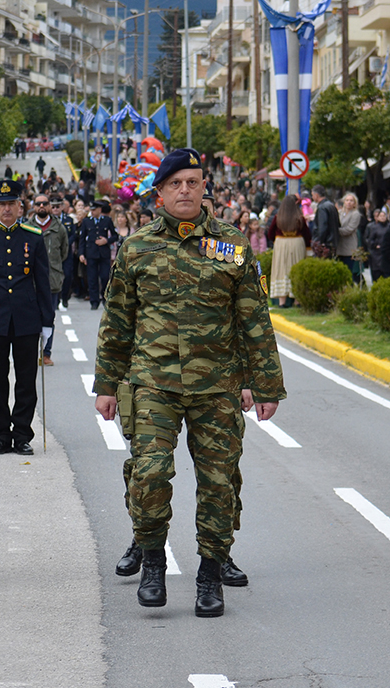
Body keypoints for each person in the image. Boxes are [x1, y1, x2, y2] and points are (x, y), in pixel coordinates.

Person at [93, 148, 286, 618]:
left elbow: (254, 321)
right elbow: (117, 322)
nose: (185, 190)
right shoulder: (137, 248)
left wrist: (265, 385)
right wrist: (107, 384)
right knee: (150, 473)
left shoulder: (232, 245)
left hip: (217, 385)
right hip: (153, 383)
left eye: (193, 182)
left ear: (204, 189)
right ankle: (153, 563)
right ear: (159, 192)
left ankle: (210, 574)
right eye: (175, 183)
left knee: (219, 483)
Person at [0, 180, 54, 455]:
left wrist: (47, 321)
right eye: (1, 204)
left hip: (26, 316)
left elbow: (42, 281)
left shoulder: (33, 236)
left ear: (20, 206)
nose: (6, 209)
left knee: (26, 380)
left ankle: (22, 434)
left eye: (11, 204)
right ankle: (1, 434)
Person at [32, 194, 67, 366]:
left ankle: (46, 353)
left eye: (44, 203)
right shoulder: (27, 227)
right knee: (31, 316)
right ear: (34, 207)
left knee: (49, 316)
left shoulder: (59, 228)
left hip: (51, 279)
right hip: (30, 281)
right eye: (38, 203)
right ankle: (32, 352)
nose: (41, 206)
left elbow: (64, 252)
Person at [265, 195, 310, 308]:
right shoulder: (300, 218)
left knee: (281, 269)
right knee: (296, 268)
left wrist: (277, 240)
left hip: (281, 243)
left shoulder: (278, 217)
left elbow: (270, 234)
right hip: (297, 243)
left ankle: (282, 302)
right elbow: (307, 234)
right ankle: (297, 300)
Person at [79, 200, 118, 310]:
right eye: (91, 210)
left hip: (103, 253)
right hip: (91, 252)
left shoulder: (107, 220)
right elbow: (82, 239)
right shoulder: (86, 221)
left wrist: (107, 240)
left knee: (105, 276)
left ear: (100, 210)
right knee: (92, 278)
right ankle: (94, 301)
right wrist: (81, 253)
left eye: (94, 210)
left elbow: (115, 236)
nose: (92, 212)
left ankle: (105, 297)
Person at [337, 193, 363, 284]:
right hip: (339, 246)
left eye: (351, 201)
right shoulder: (340, 212)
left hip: (349, 247)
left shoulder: (355, 214)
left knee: (348, 272)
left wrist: (336, 230)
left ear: (355, 203)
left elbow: (349, 230)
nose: (349, 202)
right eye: (347, 200)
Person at [310, 185, 339, 259]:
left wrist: (318, 243)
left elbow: (322, 227)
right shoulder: (331, 205)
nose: (312, 197)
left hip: (325, 243)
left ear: (316, 195)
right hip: (333, 242)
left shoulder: (322, 208)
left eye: (312, 195)